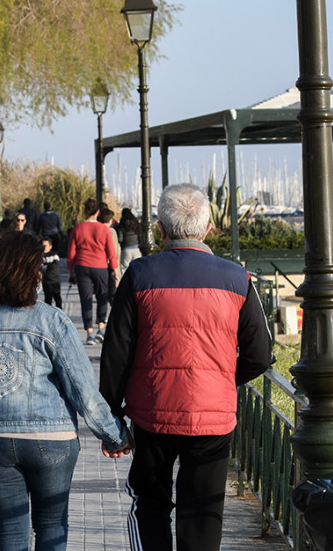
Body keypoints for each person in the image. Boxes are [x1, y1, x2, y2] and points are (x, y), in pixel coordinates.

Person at [99, 183, 273, 551]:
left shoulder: (140, 275)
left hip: (152, 414)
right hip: (213, 417)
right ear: (208, 229)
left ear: (160, 230)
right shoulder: (237, 279)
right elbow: (260, 354)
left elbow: (116, 352)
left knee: (150, 502)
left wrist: (110, 416)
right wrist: (224, 378)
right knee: (203, 512)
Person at [0, 233, 131, 551]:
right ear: (31, 273)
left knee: (10, 530)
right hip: (52, 441)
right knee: (51, 525)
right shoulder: (53, 322)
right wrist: (114, 435)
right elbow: (83, 391)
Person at [67, 198, 118, 345]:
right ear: (97, 212)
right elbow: (111, 252)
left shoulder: (77, 228)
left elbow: (71, 253)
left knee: (85, 299)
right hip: (100, 266)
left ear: (85, 211)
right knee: (102, 297)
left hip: (82, 266)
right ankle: (101, 328)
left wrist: (71, 271)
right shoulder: (104, 229)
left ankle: (89, 332)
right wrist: (114, 269)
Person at [99, 208, 120, 307]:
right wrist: (116, 269)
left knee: (101, 290)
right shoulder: (111, 231)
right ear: (110, 220)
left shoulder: (96, 229)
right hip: (109, 263)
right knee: (112, 290)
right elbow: (114, 250)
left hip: (98, 263)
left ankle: (101, 316)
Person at [116, 208, 142, 272]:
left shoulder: (121, 225)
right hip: (137, 249)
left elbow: (120, 239)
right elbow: (140, 235)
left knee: (124, 268)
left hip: (126, 249)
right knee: (137, 268)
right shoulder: (136, 223)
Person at [40, 236, 62, 308]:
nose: (44, 248)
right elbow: (38, 267)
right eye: (42, 246)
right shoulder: (39, 257)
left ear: (50, 246)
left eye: (45, 246)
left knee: (57, 298)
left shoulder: (54, 256)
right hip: (46, 282)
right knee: (47, 300)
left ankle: (60, 313)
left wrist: (45, 267)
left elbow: (54, 267)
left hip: (55, 281)